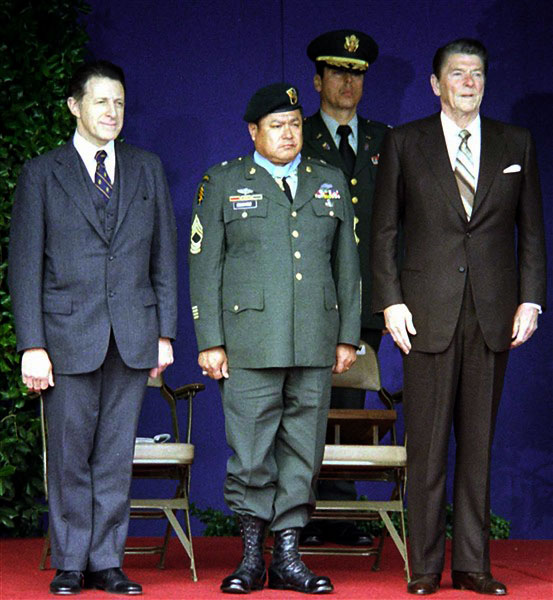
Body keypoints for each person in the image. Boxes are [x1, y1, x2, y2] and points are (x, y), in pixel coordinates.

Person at [370, 39, 546, 595]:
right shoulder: (404, 142)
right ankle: (423, 567)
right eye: (456, 73)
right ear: (435, 84)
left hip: (494, 314)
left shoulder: (514, 142)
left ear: (485, 83)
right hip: (424, 315)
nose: (468, 81)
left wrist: (531, 299)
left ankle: (473, 565)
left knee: (478, 444)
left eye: (476, 73)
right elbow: (384, 233)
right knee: (424, 448)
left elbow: (533, 232)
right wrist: (390, 300)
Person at [8, 60, 178, 596]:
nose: (112, 112)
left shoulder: (146, 166)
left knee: (114, 457)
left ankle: (107, 561)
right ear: (74, 106)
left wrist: (165, 333)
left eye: (120, 102)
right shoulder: (42, 173)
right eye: (101, 101)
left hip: (131, 334)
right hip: (65, 338)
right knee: (69, 456)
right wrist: (32, 344)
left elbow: (164, 259)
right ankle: (70, 562)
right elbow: (25, 266)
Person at [188, 83, 361, 594]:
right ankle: (249, 558)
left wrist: (347, 334)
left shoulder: (329, 181)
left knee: (303, 451)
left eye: (295, 124)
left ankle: (287, 556)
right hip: (248, 342)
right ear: (253, 132)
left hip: (314, 338)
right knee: (251, 451)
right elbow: (205, 266)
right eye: (277, 125)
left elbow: (346, 267)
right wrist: (209, 339)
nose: (289, 134)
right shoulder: (222, 182)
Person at [301, 28, 389, 547]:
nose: (347, 82)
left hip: (369, 297)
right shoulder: (295, 134)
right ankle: (305, 513)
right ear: (318, 80)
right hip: (312, 294)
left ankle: (343, 511)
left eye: (355, 73)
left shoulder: (384, 139)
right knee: (309, 403)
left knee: (353, 406)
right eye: (337, 72)